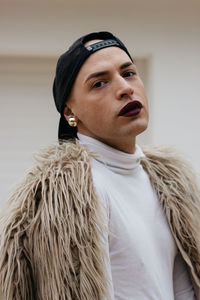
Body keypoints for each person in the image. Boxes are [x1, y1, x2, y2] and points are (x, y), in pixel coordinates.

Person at [0, 31, 200, 300]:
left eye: (128, 73)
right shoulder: (68, 197)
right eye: (99, 83)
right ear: (70, 113)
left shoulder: (169, 187)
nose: (125, 88)